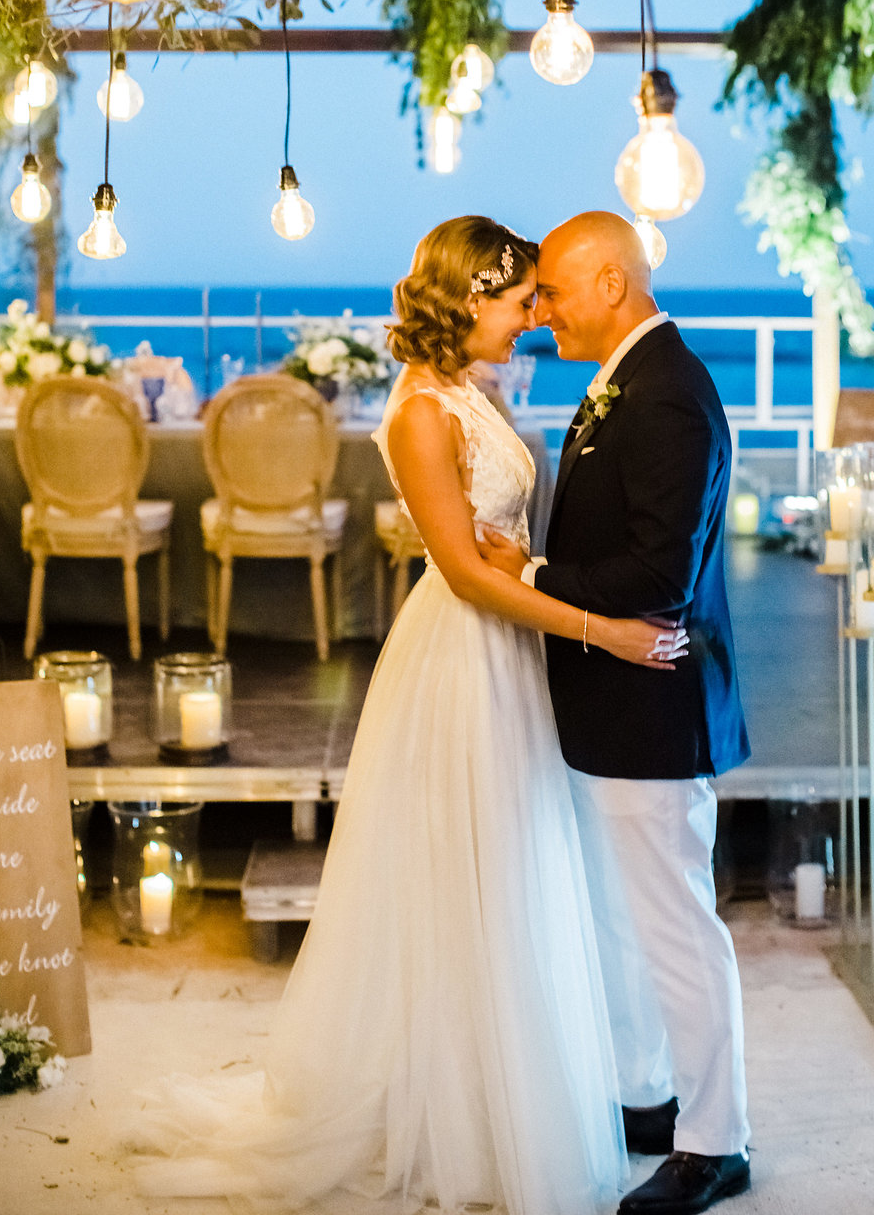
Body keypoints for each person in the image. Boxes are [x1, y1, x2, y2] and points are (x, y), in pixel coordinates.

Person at [131, 215, 686, 1215]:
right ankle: (469, 1120)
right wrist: (602, 629)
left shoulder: (470, 391)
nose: (534, 316)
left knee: (514, 873)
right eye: (521, 301)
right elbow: (469, 578)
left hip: (519, 652)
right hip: (467, 658)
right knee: (470, 875)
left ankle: (517, 1088)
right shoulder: (418, 415)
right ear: (469, 299)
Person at [481, 211, 751, 1215]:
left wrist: (536, 571)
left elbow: (659, 575)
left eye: (551, 290)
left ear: (608, 283)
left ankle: (716, 1140)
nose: (541, 309)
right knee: (626, 921)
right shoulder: (627, 385)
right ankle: (653, 1095)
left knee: (676, 927)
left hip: (653, 704)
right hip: (610, 703)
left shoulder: (666, 397)